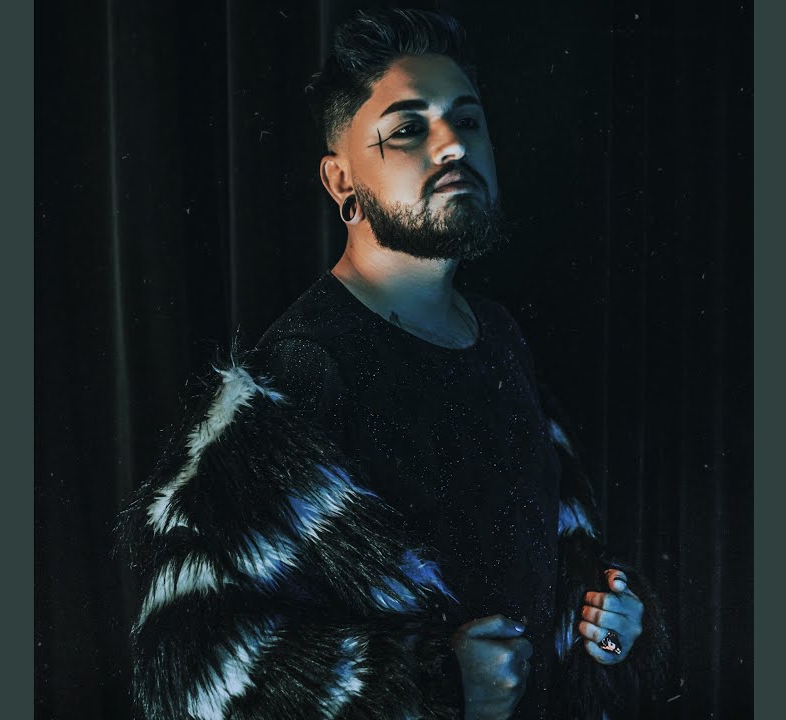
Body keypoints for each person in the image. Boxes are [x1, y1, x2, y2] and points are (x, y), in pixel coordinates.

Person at [118, 9, 666, 720]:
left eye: (467, 120)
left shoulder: (498, 336)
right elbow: (188, 662)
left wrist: (606, 630)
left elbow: (549, 573)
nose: (452, 145)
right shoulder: (304, 369)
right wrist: (430, 685)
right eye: (408, 128)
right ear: (341, 179)